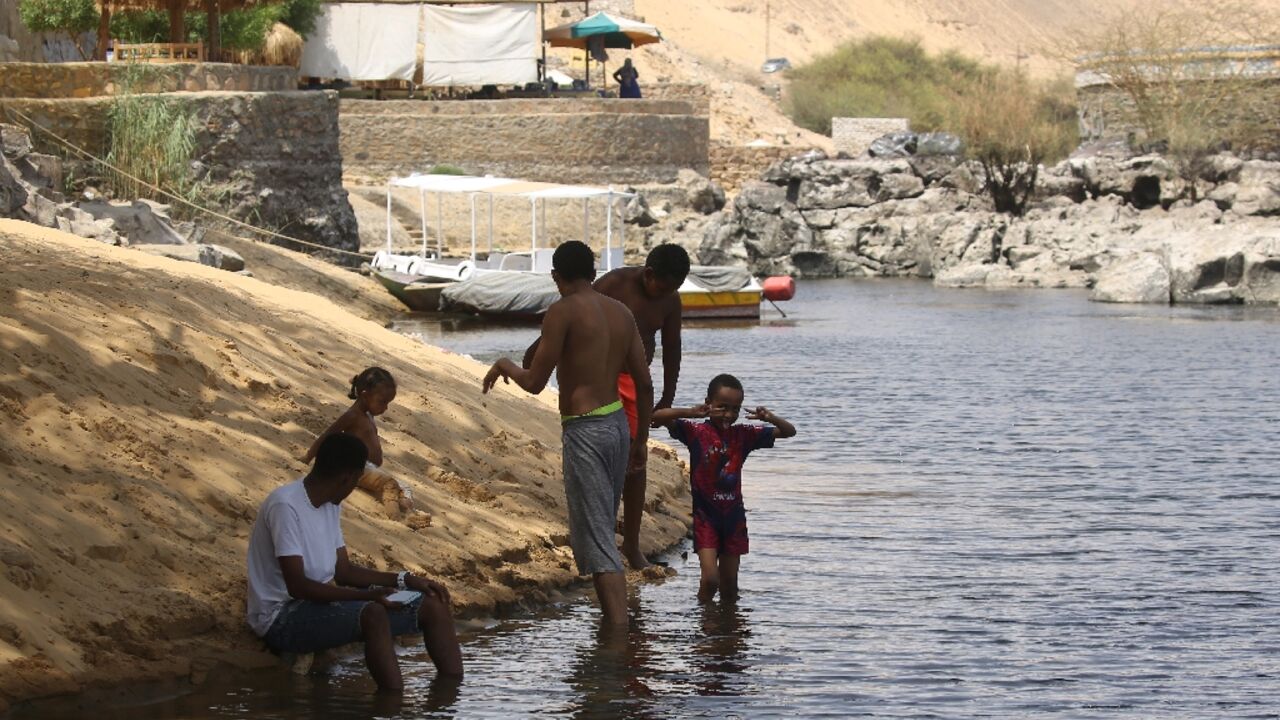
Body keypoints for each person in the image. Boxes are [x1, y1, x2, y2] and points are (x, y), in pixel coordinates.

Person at [484, 240, 654, 625]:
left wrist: (504, 364)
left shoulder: (562, 312)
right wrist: (640, 438)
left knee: (598, 543)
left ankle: (616, 642)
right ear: (593, 274)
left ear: (556, 276)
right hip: (617, 426)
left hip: (586, 431)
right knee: (602, 532)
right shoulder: (621, 313)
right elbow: (644, 384)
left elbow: (534, 383)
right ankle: (613, 631)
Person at [247, 433, 463, 690]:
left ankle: (449, 698)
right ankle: (392, 704)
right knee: (373, 614)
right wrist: (366, 598)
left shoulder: (329, 503)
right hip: (282, 617)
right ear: (346, 478)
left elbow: (345, 571)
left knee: (432, 604)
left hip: (321, 604)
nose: (353, 489)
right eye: (356, 481)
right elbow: (298, 587)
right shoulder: (285, 506)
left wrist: (406, 580)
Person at [523, 244, 690, 570]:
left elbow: (672, 349)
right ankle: (603, 534)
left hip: (636, 379)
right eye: (663, 287)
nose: (665, 295)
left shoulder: (670, 301)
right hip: (603, 374)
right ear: (649, 274)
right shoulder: (615, 284)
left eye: (673, 290)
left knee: (635, 459)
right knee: (612, 448)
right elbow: (571, 308)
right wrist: (536, 352)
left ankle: (630, 542)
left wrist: (667, 397)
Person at [652, 373, 796, 602]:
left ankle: (728, 634)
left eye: (735, 409)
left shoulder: (744, 435)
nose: (729, 414)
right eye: (722, 407)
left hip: (733, 518)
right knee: (710, 580)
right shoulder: (695, 432)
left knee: (729, 587)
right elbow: (657, 416)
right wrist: (691, 412)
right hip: (705, 518)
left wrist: (770, 417)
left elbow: (789, 432)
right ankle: (705, 625)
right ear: (709, 403)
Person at [302, 368, 414, 519]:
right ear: (365, 395)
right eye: (382, 402)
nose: (385, 408)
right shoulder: (352, 416)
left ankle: (408, 511)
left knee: (405, 487)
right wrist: (308, 457)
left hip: (370, 467)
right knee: (390, 484)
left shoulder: (368, 415)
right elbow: (328, 435)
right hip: (356, 468)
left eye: (388, 403)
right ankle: (396, 519)